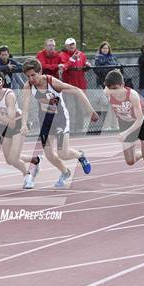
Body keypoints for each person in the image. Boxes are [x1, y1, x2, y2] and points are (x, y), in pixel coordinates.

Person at [21, 58, 99, 188]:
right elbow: (25, 106)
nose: (31, 78)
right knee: (49, 155)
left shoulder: (52, 82)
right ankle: (65, 172)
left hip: (60, 119)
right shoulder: (28, 86)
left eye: (33, 75)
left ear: (40, 72)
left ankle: (80, 155)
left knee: (63, 153)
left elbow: (77, 91)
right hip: (45, 121)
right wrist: (23, 124)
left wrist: (91, 111)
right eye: (28, 76)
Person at [104, 70, 144, 191]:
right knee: (130, 161)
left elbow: (139, 120)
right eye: (110, 89)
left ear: (122, 85)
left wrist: (126, 133)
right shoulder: (107, 92)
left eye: (116, 88)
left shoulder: (132, 95)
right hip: (125, 123)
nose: (113, 91)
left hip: (141, 123)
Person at [0, 71, 41, 189]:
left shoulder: (9, 95)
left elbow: (11, 122)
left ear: (1, 83)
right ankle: (35, 160)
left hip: (17, 124)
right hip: (3, 126)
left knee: (14, 158)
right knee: (9, 160)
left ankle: (27, 176)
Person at [59, 38, 91, 132]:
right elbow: (63, 68)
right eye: (70, 44)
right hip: (69, 86)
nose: (72, 46)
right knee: (70, 108)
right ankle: (70, 127)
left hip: (80, 85)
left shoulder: (81, 54)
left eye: (73, 44)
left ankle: (80, 127)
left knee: (80, 108)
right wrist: (72, 59)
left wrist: (87, 66)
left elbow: (84, 64)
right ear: (66, 46)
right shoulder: (62, 55)